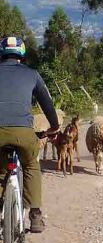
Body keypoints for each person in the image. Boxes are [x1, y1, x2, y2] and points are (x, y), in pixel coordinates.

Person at [0, 37, 59, 233]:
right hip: (24, 133)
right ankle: (35, 215)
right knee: (32, 164)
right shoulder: (32, 74)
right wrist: (54, 127)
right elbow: (47, 104)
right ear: (22, 54)